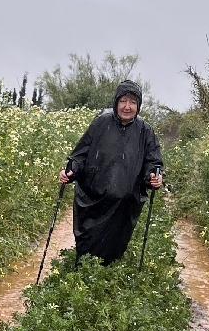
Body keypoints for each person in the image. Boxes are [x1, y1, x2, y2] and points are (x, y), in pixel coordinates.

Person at [58, 80, 163, 263]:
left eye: (132, 102)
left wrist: (153, 177)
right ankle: (82, 274)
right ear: (116, 102)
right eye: (123, 101)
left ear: (138, 105)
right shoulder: (100, 123)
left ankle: (106, 277)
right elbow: (80, 155)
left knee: (114, 249)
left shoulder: (145, 131)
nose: (127, 107)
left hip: (124, 206)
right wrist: (70, 171)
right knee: (87, 247)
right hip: (94, 201)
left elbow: (153, 162)